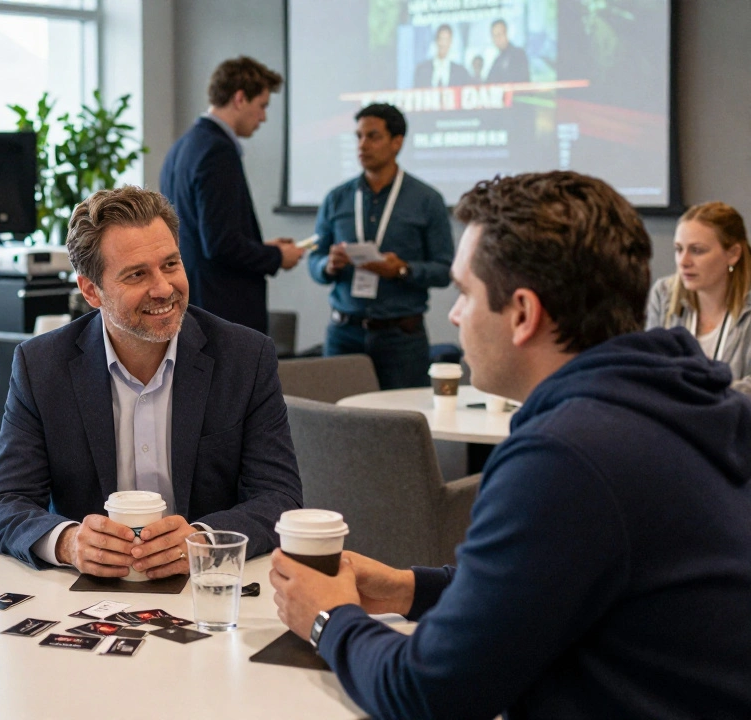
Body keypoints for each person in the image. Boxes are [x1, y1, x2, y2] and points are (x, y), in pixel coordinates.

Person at [271, 172, 751, 719]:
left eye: (464, 293)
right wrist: (407, 588)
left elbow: (427, 694)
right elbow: (539, 586)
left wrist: (328, 617)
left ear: (523, 313)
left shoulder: (568, 456)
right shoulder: (679, 403)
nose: (453, 314)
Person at [0, 186, 302, 578]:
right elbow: (4, 503)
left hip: (210, 587)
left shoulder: (245, 358)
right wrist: (68, 543)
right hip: (84, 597)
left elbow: (279, 497)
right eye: (137, 274)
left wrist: (204, 539)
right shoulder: (42, 366)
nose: (164, 288)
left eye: (170, 265)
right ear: (91, 291)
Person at [307, 103, 454, 389]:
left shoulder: (427, 200)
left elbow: (444, 269)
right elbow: (314, 260)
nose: (363, 145)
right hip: (344, 334)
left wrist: (402, 270)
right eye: (358, 137)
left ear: (397, 142)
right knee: (334, 424)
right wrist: (328, 264)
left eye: (373, 136)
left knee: (401, 424)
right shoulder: (337, 198)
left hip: (401, 337)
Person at [160, 55, 304, 335]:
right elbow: (220, 244)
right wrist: (275, 256)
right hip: (222, 310)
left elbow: (207, 232)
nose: (263, 117)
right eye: (262, 106)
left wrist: (258, 245)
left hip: (194, 302)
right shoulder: (218, 151)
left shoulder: (182, 147)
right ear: (240, 99)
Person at [646, 202, 751, 383]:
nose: (683, 261)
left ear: (733, 254)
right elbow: (650, 368)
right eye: (679, 249)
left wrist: (699, 392)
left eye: (697, 250)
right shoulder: (663, 294)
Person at [486, 19, 531, 83]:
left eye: (499, 34)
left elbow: (522, 80)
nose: (497, 39)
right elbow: (489, 82)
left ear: (506, 34)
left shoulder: (518, 54)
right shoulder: (497, 60)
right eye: (494, 36)